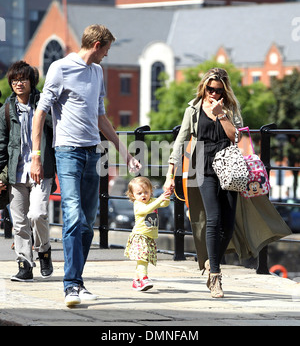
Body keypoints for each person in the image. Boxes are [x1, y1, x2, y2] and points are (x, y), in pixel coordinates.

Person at [30, 24, 141, 306]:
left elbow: (101, 117)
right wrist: (35, 154)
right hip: (67, 152)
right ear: (97, 45)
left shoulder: (97, 72)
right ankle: (70, 286)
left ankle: (77, 282)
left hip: (93, 153)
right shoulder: (60, 68)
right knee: (72, 215)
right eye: (106, 49)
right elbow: (40, 113)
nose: (106, 55)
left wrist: (125, 154)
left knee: (88, 223)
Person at [163, 68, 291, 298]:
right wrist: (169, 175)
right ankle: (215, 275)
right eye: (210, 89)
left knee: (228, 223)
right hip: (203, 168)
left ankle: (211, 262)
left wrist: (221, 114)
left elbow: (236, 137)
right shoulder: (193, 109)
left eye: (218, 90)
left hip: (229, 169)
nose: (213, 94)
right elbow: (180, 141)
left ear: (225, 90)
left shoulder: (230, 108)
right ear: (204, 87)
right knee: (213, 218)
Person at [0, 61, 56, 282]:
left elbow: (55, 134)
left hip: (42, 170)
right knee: (20, 222)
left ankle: (44, 251)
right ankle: (24, 264)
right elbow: (1, 144)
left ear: (32, 82)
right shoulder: (5, 110)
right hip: (16, 172)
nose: (18, 83)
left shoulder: (44, 105)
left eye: (22, 79)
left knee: (37, 214)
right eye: (14, 80)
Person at [125, 177, 170, 291]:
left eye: (146, 192)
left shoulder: (152, 201)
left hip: (149, 237)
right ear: (133, 195)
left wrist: (167, 195)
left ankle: (136, 281)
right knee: (143, 259)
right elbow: (146, 210)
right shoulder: (138, 204)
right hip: (140, 236)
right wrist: (159, 200)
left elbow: (164, 204)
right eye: (139, 193)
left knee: (142, 259)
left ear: (151, 191)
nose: (143, 195)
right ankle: (144, 278)